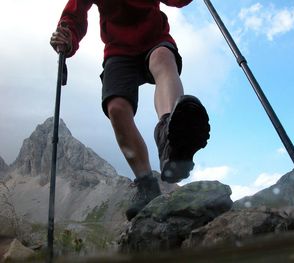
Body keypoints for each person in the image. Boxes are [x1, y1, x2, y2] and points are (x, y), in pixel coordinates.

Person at [50, 0, 210, 221]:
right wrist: (67, 37)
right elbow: (74, 14)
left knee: (163, 59)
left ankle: (170, 139)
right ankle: (146, 184)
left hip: (155, 39)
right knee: (116, 107)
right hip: (118, 50)